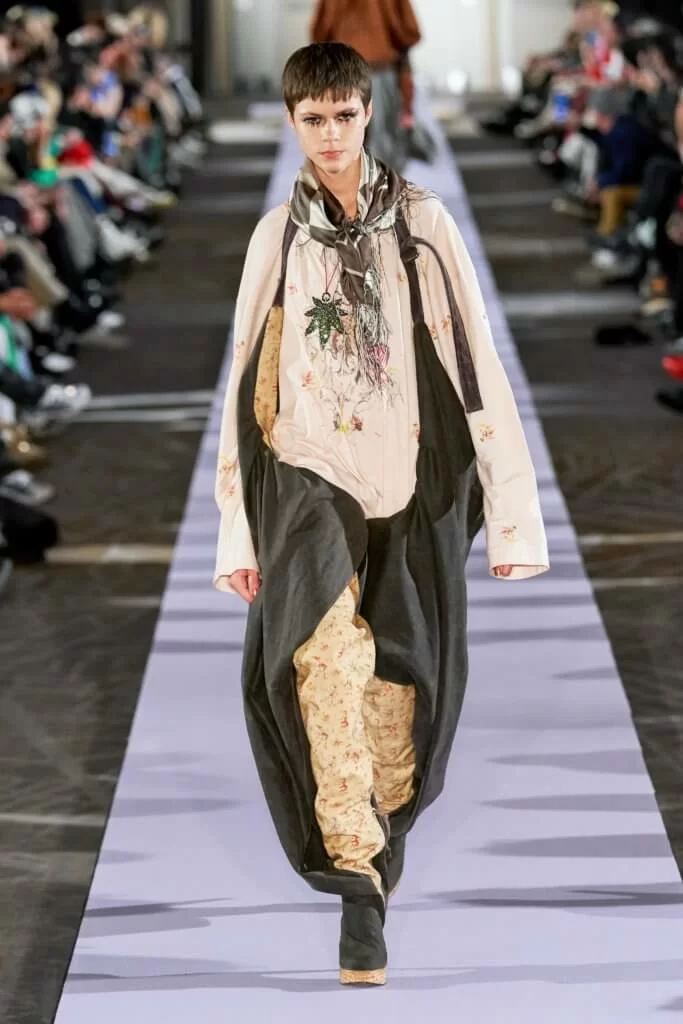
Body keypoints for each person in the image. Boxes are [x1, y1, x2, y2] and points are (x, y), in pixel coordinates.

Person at [214, 42, 549, 987]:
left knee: (397, 694)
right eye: (311, 119)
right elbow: (246, 384)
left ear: (368, 113)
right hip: (305, 471)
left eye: (343, 116)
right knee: (322, 662)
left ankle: (377, 836)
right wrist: (236, 529)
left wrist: (513, 516)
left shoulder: (424, 223)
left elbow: (475, 364)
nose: (329, 135)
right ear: (292, 123)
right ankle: (358, 890)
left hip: (407, 473)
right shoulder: (275, 239)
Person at [310, 0, 421, 169]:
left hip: (344, 72)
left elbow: (320, 32)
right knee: (383, 145)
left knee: (345, 144)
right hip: (380, 70)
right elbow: (408, 32)